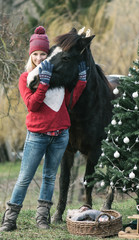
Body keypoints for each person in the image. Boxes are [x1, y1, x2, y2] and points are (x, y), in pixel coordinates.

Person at [0, 26, 87, 232]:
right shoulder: (27, 78)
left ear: (49, 55)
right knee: (25, 177)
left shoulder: (60, 77)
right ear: (31, 56)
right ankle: (10, 219)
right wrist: (43, 85)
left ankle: (42, 219)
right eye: (36, 54)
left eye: (43, 54)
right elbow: (32, 105)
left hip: (60, 135)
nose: (40, 58)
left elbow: (69, 102)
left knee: (49, 177)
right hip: (37, 136)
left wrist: (81, 83)